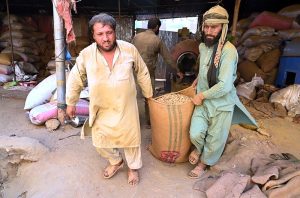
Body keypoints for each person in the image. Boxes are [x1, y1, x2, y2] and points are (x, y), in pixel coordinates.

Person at [66, 13, 153, 186]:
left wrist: (149, 95)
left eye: (109, 32)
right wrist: (71, 101)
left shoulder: (129, 49)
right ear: (93, 35)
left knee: (130, 139)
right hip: (101, 106)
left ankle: (133, 168)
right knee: (99, 140)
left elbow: (142, 71)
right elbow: (75, 77)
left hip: (125, 106)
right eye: (100, 34)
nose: (106, 38)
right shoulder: (86, 55)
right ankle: (115, 161)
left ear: (115, 32)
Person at [188, 5, 257, 178]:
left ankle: (203, 164)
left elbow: (225, 86)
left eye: (214, 27)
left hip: (221, 103)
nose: (209, 31)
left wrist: (202, 95)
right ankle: (198, 148)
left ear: (223, 27)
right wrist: (198, 81)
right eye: (207, 27)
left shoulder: (229, 51)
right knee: (195, 132)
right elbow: (204, 71)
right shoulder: (203, 47)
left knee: (215, 139)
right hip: (203, 102)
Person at [132, 18, 183, 128]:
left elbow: (129, 53)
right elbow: (168, 58)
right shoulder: (156, 40)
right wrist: (178, 70)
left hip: (134, 71)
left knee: (133, 96)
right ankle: (149, 122)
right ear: (156, 27)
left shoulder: (136, 37)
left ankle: (133, 121)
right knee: (149, 97)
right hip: (148, 73)